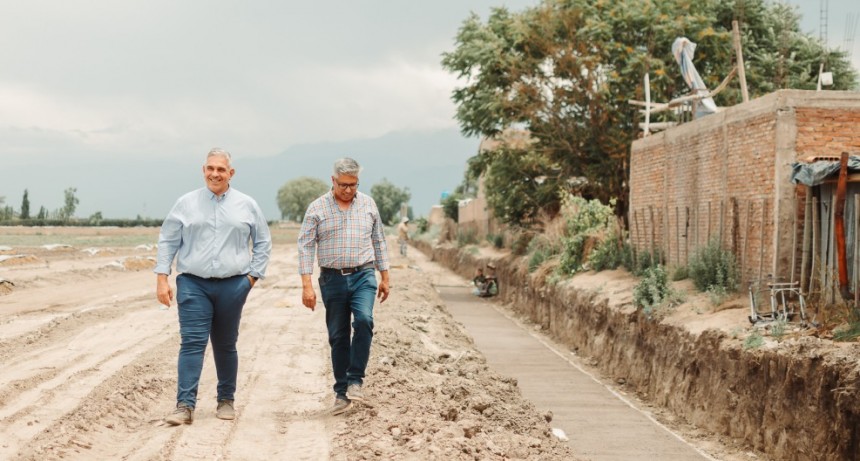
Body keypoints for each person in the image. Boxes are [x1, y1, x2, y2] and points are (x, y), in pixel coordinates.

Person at [154, 148, 272, 426]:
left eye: (221, 169)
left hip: (234, 285)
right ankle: (184, 405)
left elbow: (263, 242)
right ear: (203, 170)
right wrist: (162, 277)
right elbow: (168, 241)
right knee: (192, 343)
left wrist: (251, 279)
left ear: (231, 173)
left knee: (225, 344)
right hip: (193, 284)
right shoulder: (185, 203)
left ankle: (226, 399)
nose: (215, 174)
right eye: (210, 168)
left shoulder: (247, 204)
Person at [298, 157, 390, 416]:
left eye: (353, 185)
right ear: (333, 181)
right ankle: (341, 393)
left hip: (364, 275)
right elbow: (305, 247)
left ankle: (355, 380)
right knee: (338, 336)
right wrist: (307, 285)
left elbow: (379, 241)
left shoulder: (368, 204)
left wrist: (386, 277)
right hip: (332, 279)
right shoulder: (317, 208)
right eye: (343, 185)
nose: (348, 190)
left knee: (363, 320)